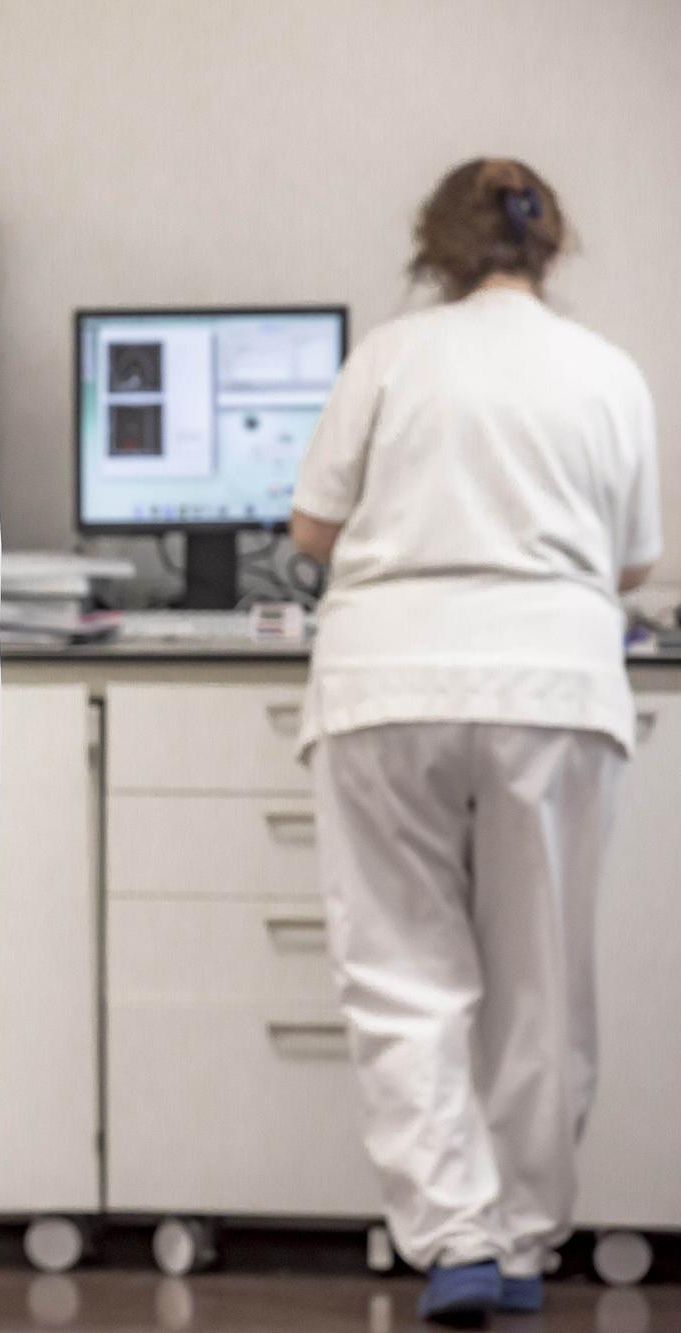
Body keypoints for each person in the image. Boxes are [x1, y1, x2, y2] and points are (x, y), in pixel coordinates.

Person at [291, 157, 661, 1327]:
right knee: (539, 982)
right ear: (548, 245)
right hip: (549, 685)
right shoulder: (605, 372)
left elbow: (311, 528)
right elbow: (635, 560)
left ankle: (450, 1238)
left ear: (432, 245)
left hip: (382, 683)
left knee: (404, 972)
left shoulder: (388, 357)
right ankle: (519, 1242)